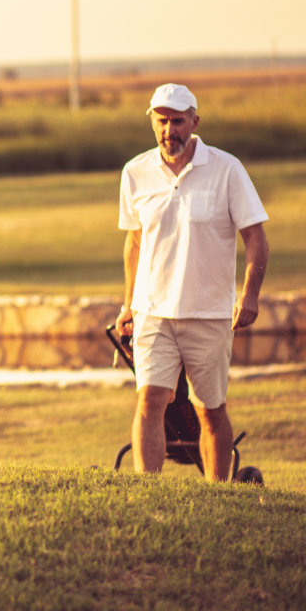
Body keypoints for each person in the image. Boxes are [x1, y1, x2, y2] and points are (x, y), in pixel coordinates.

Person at [116, 83, 269, 482]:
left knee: (209, 409)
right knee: (150, 401)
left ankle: (216, 495)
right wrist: (128, 304)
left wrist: (249, 296)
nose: (170, 130)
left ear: (194, 122)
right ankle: (147, 491)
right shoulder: (135, 172)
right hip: (153, 312)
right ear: (152, 123)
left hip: (209, 313)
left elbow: (255, 237)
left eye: (178, 121)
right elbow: (134, 241)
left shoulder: (227, 169)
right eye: (162, 121)